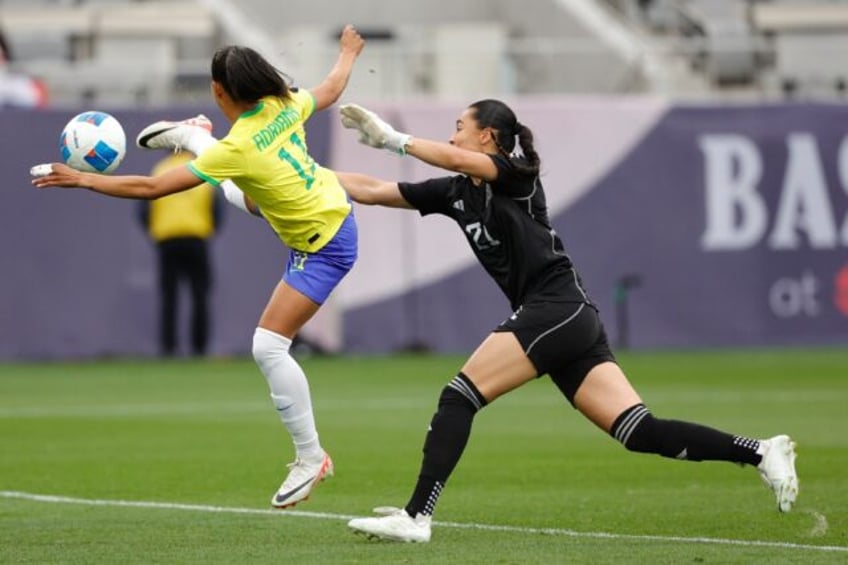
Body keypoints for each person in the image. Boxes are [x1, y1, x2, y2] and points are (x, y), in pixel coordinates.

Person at [333, 101, 799, 543]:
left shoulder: (515, 176)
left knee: (459, 397)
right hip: (567, 319)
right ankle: (760, 450)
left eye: (459, 127)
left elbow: (462, 163)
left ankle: (417, 516)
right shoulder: (456, 192)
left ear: (487, 136)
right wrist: (300, 176)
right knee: (640, 431)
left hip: (557, 308)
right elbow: (374, 191)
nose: (452, 135)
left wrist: (395, 140)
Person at [30, 24, 365, 509]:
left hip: (326, 245)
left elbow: (150, 189)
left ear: (218, 91)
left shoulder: (239, 146)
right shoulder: (285, 103)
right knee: (246, 194)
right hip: (324, 207)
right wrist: (348, 52)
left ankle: (311, 457)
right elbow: (332, 88)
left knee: (268, 346)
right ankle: (193, 137)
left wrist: (82, 181)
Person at [138, 151, 223, 357]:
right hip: (196, 238)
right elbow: (216, 209)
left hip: (167, 240)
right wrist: (209, 229)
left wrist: (155, 231)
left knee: (169, 296)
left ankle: (168, 348)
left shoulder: (159, 169)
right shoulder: (201, 168)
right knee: (200, 294)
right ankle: (199, 348)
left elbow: (144, 209)